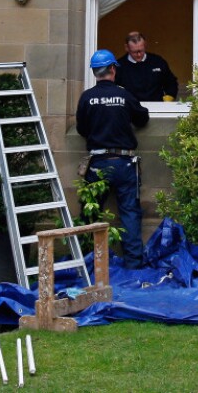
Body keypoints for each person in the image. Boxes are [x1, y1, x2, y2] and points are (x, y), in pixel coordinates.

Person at [76, 49, 149, 269]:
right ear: (113, 69)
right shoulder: (124, 95)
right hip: (124, 163)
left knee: (92, 213)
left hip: (98, 163)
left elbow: (81, 129)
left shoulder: (87, 97)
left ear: (95, 72)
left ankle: (90, 263)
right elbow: (142, 118)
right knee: (129, 213)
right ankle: (134, 265)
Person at [115, 31, 178, 102]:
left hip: (157, 107)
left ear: (145, 45)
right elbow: (112, 87)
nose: (139, 55)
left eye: (141, 51)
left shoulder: (157, 61)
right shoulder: (119, 66)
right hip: (130, 108)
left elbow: (171, 82)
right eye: (135, 52)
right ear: (126, 48)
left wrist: (169, 96)